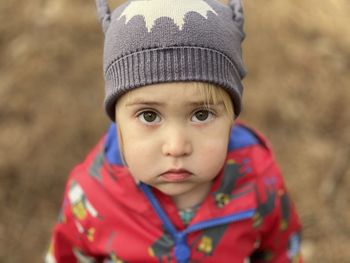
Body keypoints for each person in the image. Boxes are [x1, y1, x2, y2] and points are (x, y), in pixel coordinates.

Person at [46, 0, 303, 262]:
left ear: (231, 117)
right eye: (149, 115)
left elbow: (282, 251)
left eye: (201, 114)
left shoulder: (258, 179)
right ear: (117, 119)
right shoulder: (91, 195)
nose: (177, 146)